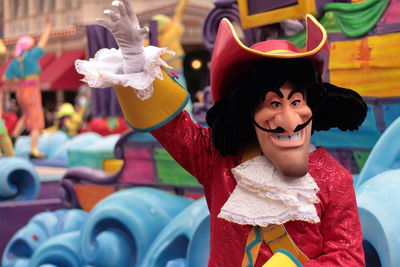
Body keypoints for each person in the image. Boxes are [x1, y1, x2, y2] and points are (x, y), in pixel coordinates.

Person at [76, 1, 367, 266]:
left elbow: (349, 258)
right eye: (274, 103)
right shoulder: (220, 162)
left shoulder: (334, 178)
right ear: (249, 111)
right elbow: (172, 127)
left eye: (296, 102)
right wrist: (136, 63)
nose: (289, 119)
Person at [3, 18, 52, 158]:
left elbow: (6, 78)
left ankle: (13, 137)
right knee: (36, 121)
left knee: (26, 116)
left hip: (21, 91)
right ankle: (34, 150)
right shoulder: (31, 56)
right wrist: (48, 27)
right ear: (29, 46)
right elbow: (43, 42)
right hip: (32, 90)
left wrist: (18, 82)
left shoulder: (15, 61)